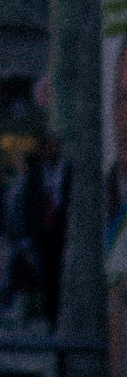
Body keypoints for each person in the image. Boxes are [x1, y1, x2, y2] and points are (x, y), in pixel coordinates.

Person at [5, 134, 69, 328]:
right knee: (47, 278)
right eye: (48, 148)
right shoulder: (36, 176)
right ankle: (52, 318)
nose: (52, 151)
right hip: (42, 236)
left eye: (55, 147)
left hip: (61, 233)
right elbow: (27, 208)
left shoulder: (67, 172)